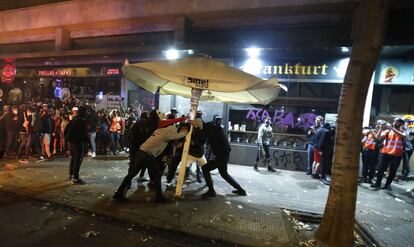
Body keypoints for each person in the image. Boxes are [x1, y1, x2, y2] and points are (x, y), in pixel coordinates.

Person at [113, 120, 190, 202]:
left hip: (141, 152)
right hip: (147, 155)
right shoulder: (167, 134)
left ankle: (118, 193)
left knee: (131, 174)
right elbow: (180, 135)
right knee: (157, 175)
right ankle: (159, 197)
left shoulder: (159, 131)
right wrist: (184, 131)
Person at [201, 120, 247, 199]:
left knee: (205, 168)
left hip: (222, 156)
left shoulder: (212, 132)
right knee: (224, 174)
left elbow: (204, 137)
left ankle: (211, 191)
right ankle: (241, 190)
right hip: (223, 155)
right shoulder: (216, 130)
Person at [371, 117, 406, 190]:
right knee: (381, 169)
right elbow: (377, 138)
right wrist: (380, 128)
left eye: (397, 122)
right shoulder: (387, 131)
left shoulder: (403, 131)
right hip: (386, 153)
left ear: (401, 124)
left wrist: (392, 128)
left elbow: (403, 136)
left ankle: (387, 185)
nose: (395, 123)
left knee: (393, 171)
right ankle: (377, 184)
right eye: (395, 121)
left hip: (397, 154)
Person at [65, 107, 89, 184]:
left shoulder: (74, 119)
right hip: (79, 142)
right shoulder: (82, 121)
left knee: (73, 158)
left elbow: (67, 130)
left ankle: (71, 174)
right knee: (78, 159)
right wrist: (87, 143)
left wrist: (68, 139)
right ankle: (76, 177)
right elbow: (84, 133)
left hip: (72, 142)